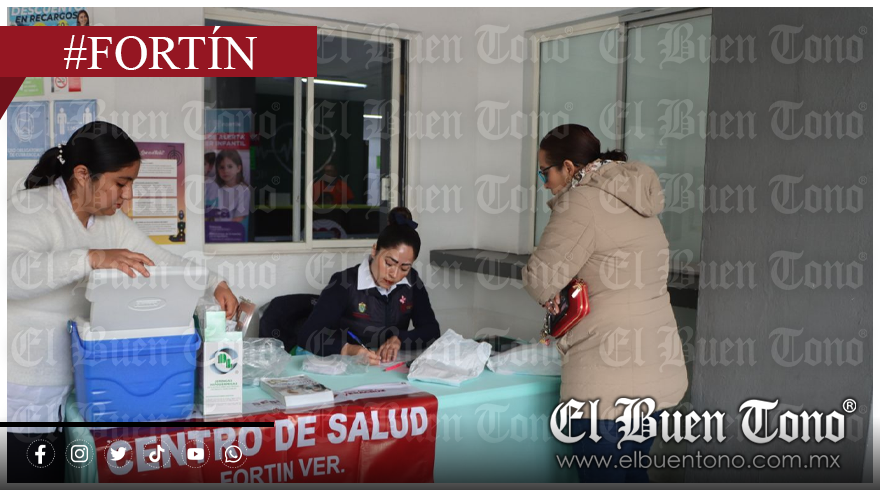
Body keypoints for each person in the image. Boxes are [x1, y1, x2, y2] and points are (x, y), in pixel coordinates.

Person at [7, 121, 239, 483]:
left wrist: (214, 283)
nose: (127, 195)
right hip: (23, 391)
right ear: (82, 175)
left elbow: (160, 262)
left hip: (80, 387)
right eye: (121, 183)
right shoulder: (32, 208)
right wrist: (92, 258)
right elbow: (10, 274)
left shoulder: (108, 223)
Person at [521, 124, 688, 483]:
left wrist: (556, 288)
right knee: (633, 474)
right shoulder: (635, 198)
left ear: (568, 167)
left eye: (544, 173)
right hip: (656, 375)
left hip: (606, 389)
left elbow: (539, 279)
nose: (544, 183)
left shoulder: (581, 203)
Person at [296, 207, 440, 364]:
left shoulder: (412, 282)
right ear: (374, 250)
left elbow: (431, 331)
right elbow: (307, 335)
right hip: (348, 369)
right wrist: (349, 350)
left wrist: (400, 339)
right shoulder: (344, 283)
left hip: (388, 369)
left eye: (404, 268)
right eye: (389, 263)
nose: (394, 274)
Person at [205, 150, 250, 224]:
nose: (226, 170)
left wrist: (225, 229)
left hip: (231, 229)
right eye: (222, 167)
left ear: (238, 168)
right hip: (213, 228)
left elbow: (240, 217)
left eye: (230, 166)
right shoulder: (215, 188)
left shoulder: (243, 190)